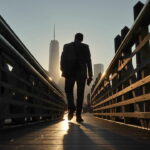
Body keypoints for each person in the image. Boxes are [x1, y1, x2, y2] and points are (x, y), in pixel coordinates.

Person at [60, 33, 93, 122]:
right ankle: (78, 116)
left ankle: (71, 107)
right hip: (81, 73)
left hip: (70, 72)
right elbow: (89, 61)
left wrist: (63, 70)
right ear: (82, 39)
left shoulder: (66, 46)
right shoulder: (85, 47)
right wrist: (90, 75)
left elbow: (62, 59)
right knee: (80, 94)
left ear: (74, 38)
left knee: (68, 90)